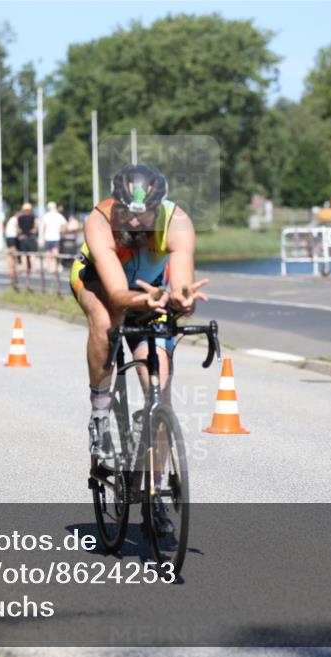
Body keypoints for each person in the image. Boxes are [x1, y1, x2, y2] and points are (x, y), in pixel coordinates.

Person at [69, 163, 208, 463]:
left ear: (158, 209)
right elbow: (118, 297)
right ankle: (100, 414)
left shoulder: (177, 223)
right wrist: (147, 300)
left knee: (159, 385)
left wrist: (182, 301)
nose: (133, 220)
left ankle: (155, 492)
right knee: (108, 320)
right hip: (98, 282)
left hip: (151, 293)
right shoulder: (100, 220)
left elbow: (183, 288)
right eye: (127, 212)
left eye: (142, 213)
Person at [41, 201, 67, 273]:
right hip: (56, 237)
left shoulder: (46, 215)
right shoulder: (59, 215)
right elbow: (65, 225)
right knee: (55, 252)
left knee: (48, 253)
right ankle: (55, 267)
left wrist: (43, 236)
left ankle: (48, 267)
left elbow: (44, 227)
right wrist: (62, 232)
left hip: (48, 237)